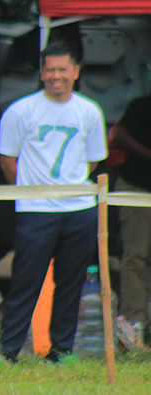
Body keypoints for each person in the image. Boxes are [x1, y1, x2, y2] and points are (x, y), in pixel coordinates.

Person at [0, 41, 107, 365]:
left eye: (63, 69)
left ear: (76, 72)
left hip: (78, 210)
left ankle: (61, 350)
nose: (56, 76)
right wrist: (28, 192)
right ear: (41, 73)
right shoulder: (21, 110)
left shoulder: (89, 111)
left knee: (71, 283)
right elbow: (7, 160)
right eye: (50, 70)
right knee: (26, 282)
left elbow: (93, 162)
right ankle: (5, 352)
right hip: (35, 210)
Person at [109, 94, 151, 350]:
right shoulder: (142, 105)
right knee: (135, 257)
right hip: (137, 188)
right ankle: (132, 328)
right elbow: (119, 135)